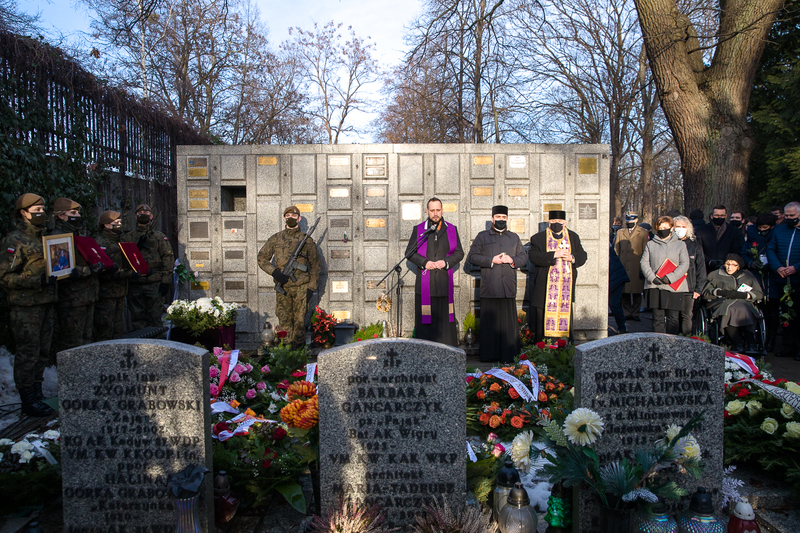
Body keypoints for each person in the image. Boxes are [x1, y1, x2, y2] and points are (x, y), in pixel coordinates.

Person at [0, 193, 56, 416]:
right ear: (23, 213)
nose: (41, 213)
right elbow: (5, 277)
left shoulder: (45, 238)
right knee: (28, 353)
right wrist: (35, 281)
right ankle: (27, 399)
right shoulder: (14, 240)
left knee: (42, 351)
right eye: (36, 210)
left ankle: (37, 392)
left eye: (43, 209)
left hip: (47, 302)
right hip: (26, 307)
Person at [466, 206, 527, 362]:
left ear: (507, 219)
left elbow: (523, 258)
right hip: (490, 287)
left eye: (504, 217)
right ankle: (489, 356)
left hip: (507, 287)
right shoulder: (482, 236)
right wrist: (491, 260)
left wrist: (511, 259)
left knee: (508, 326)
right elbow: (473, 257)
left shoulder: (514, 238)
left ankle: (509, 356)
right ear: (492, 219)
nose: (501, 220)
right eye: (498, 217)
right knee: (489, 325)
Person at [258, 206, 321, 349]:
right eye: (288, 215)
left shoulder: (306, 240)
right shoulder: (276, 238)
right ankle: (286, 356)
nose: (290, 217)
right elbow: (262, 258)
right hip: (283, 289)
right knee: (284, 322)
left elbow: (316, 265)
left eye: (294, 215)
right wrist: (274, 272)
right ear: (284, 218)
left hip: (301, 288)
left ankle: (300, 357)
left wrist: (311, 288)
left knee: (299, 324)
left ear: (298, 218)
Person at [404, 197, 464, 346]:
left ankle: (448, 353)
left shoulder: (451, 229)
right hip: (426, 286)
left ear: (442, 210)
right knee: (426, 327)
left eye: (438, 210)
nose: (435, 213)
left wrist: (446, 262)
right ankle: (425, 355)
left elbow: (459, 253)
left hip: (444, 284)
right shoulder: (419, 229)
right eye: (432, 210)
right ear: (427, 211)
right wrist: (425, 263)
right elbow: (409, 252)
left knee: (445, 325)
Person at [528, 210, 588, 343]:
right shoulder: (538, 238)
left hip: (564, 290)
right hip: (544, 288)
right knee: (542, 322)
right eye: (553, 222)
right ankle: (542, 350)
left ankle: (564, 350)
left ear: (565, 223)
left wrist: (572, 257)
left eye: (559, 222)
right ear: (549, 222)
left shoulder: (573, 237)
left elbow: (583, 255)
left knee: (565, 321)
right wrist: (554, 254)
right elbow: (533, 257)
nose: (556, 224)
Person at [53, 197, 101, 349]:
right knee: (73, 344)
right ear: (61, 215)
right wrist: (88, 270)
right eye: (73, 212)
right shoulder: (57, 238)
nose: (78, 216)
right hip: (72, 299)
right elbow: (61, 269)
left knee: (86, 341)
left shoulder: (78, 235)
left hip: (87, 295)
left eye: (78, 212)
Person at [123, 204, 174, 330]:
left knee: (155, 318)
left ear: (151, 216)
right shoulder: (128, 237)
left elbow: (168, 257)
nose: (143, 214)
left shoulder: (159, 237)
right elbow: (124, 259)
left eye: (146, 213)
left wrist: (166, 281)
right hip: (135, 283)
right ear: (136, 216)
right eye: (140, 212)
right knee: (137, 318)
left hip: (154, 283)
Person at [702, 254, 764, 352]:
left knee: (745, 309)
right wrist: (721, 292)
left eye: (733, 265)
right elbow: (705, 293)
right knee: (731, 310)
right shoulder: (715, 274)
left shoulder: (748, 276)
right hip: (723, 302)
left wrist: (744, 295)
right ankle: (736, 342)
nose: (729, 267)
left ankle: (751, 342)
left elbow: (759, 294)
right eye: (727, 264)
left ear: (739, 266)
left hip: (744, 302)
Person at [640, 215, 689, 334]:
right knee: (657, 318)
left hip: (674, 286)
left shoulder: (680, 245)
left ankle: (672, 345)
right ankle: (658, 343)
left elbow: (684, 264)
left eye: (666, 227)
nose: (663, 230)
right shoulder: (650, 244)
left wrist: (670, 278)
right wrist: (652, 277)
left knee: (673, 318)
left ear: (671, 228)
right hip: (655, 285)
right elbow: (644, 262)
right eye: (661, 227)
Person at [94, 210, 137, 341]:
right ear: (106, 225)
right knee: (105, 329)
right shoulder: (100, 243)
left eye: (120, 222)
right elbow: (104, 271)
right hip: (106, 293)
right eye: (116, 222)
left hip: (120, 291)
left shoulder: (121, 240)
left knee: (118, 331)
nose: (119, 224)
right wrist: (129, 273)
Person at [766, 202, 800, 359]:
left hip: (798, 278)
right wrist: (778, 267)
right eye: (786, 215)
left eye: (792, 216)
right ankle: (788, 345)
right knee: (786, 314)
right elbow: (771, 249)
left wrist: (796, 267)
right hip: (782, 278)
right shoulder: (780, 229)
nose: (788, 218)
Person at [742, 213, 778, 351]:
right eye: (760, 228)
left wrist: (773, 264)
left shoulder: (775, 236)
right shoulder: (751, 237)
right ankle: (755, 339)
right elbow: (743, 254)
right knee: (755, 309)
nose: (762, 230)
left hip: (772, 278)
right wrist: (751, 263)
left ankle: (770, 340)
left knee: (772, 312)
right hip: (755, 277)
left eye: (765, 228)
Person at [673, 216, 706, 335]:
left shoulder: (695, 245)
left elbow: (701, 268)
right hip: (672, 286)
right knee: (673, 316)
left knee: (687, 315)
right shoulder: (669, 243)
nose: (680, 229)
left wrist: (698, 289)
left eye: (683, 227)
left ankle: (686, 340)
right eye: (677, 227)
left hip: (689, 287)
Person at [615, 211, 649, 322]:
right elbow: (617, 249)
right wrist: (617, 265)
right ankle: (626, 312)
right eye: (627, 220)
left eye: (631, 220)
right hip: (623, 265)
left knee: (636, 292)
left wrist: (643, 268)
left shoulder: (643, 233)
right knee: (624, 291)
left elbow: (645, 251)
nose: (629, 222)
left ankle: (635, 312)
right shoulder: (621, 232)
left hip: (636, 266)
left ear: (636, 220)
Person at [696, 205, 745, 272]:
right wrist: (710, 261)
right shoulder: (701, 231)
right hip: (706, 268)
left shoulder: (734, 231)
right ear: (712, 216)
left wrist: (727, 261)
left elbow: (736, 250)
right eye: (717, 215)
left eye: (722, 215)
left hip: (727, 269)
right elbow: (698, 250)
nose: (719, 217)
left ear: (726, 216)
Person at [608, 244, 629, 334]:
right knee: (614, 304)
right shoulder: (609, 248)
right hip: (616, 277)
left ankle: (622, 327)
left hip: (616, 278)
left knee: (614, 304)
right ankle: (622, 327)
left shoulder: (606, 249)